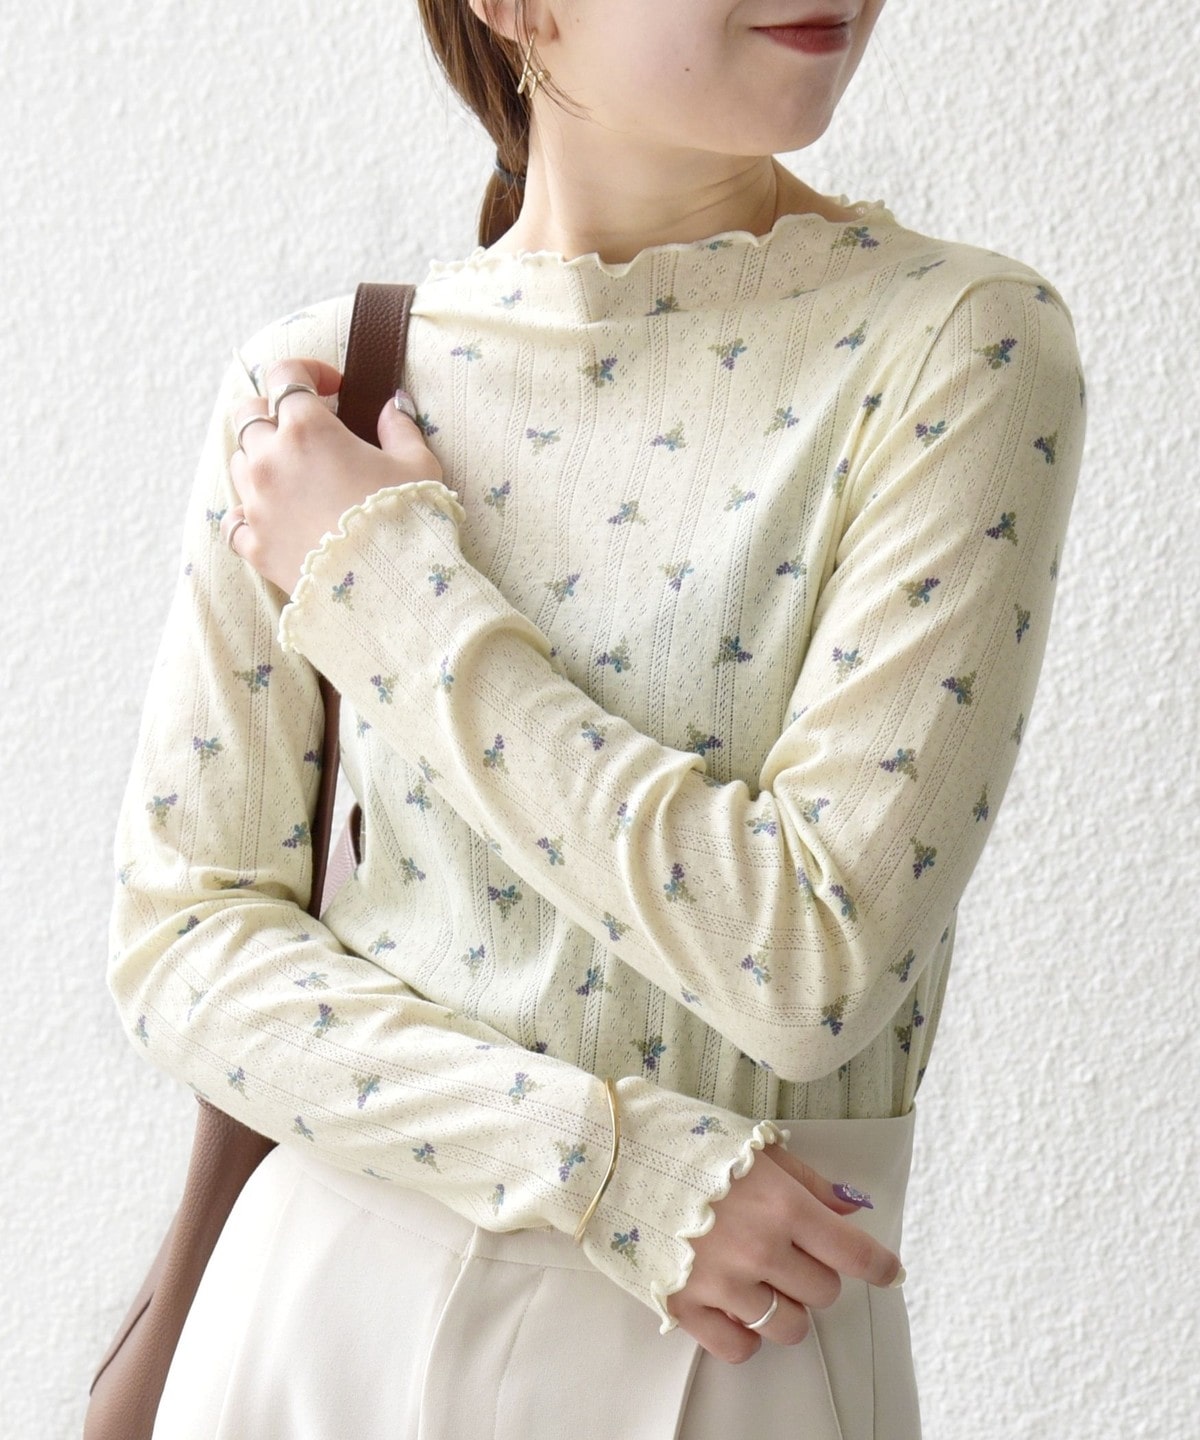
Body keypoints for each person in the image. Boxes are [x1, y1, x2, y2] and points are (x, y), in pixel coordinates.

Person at [108, 2, 1084, 1436]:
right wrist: (599, 1161)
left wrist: (387, 588)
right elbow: (182, 940)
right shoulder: (319, 392)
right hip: (318, 1326)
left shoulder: (959, 344)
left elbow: (808, 964)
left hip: (735, 1349)